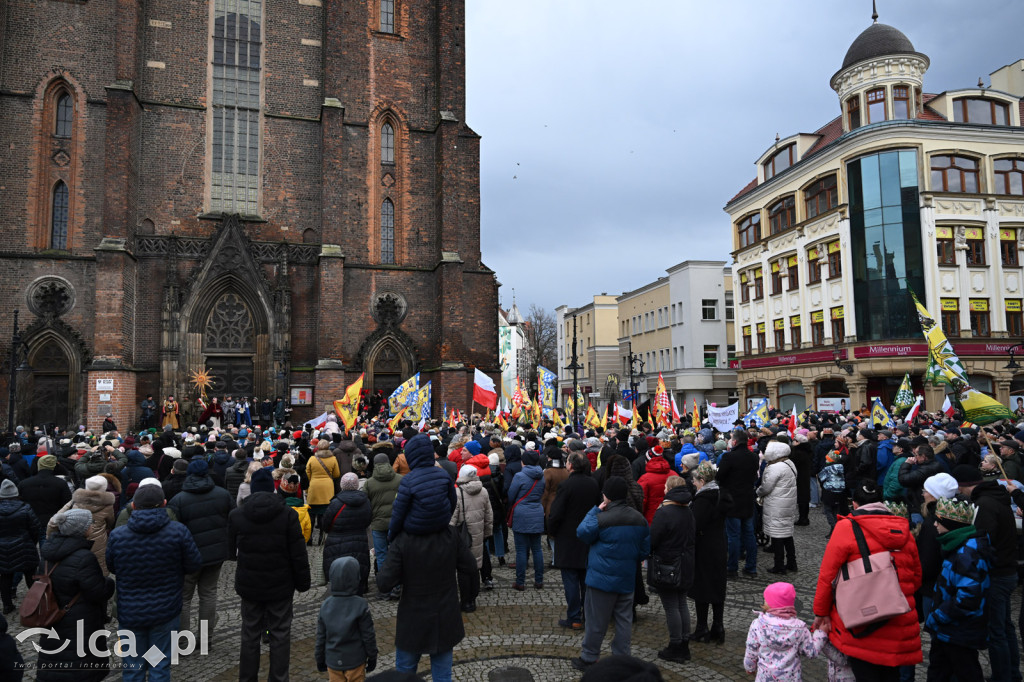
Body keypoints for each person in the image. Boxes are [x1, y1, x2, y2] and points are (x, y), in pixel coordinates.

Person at [812, 483, 922, 681]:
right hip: (898, 616)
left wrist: (821, 612)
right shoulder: (903, 529)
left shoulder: (846, 527)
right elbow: (915, 578)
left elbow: (828, 575)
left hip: (862, 617)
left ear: (854, 504)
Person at [106, 483, 202, 682]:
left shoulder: (118, 535)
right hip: (165, 608)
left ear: (133, 506)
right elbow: (194, 564)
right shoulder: (178, 531)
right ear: (164, 504)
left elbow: (113, 566)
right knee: (160, 665)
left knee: (133, 667)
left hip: (130, 610)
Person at [229, 467, 311, 682]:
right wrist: (303, 582)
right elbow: (298, 553)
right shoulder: (288, 515)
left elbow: (230, 551)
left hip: (250, 584)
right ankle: (278, 678)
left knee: (250, 633)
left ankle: (247, 678)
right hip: (280, 584)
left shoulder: (237, 515)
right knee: (280, 634)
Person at [377, 516, 478, 682]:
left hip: (412, 619)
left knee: (404, 675)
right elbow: (470, 566)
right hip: (444, 616)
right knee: (442, 676)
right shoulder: (450, 534)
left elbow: (384, 583)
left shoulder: (404, 538)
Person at [571, 477, 651, 673]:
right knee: (624, 621)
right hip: (626, 578)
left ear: (606, 496)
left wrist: (595, 509)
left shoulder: (601, 518)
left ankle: (589, 657)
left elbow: (582, 532)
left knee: (596, 621)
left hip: (601, 580)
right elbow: (644, 550)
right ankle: (622, 658)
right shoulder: (639, 519)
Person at [951, 464, 1021, 682]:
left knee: (996, 630)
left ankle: (1003, 676)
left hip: (997, 572)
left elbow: (982, 539)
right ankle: (1011, 672)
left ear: (962, 485)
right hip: (1006, 568)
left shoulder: (985, 504)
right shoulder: (996, 497)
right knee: (1005, 626)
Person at [35, 509, 115, 682]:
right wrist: (109, 583)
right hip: (81, 621)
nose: (93, 526)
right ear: (81, 530)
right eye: (90, 524)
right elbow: (98, 592)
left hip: (53, 617)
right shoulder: (84, 557)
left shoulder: (46, 555)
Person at [924, 498, 992, 682]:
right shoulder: (957, 546)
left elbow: (968, 597)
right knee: (939, 671)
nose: (935, 524)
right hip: (950, 632)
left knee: (965, 673)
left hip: (957, 631)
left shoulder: (966, 554)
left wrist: (939, 616)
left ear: (951, 524)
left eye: (939, 520)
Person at [167, 459, 235, 635]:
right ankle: (206, 637)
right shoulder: (223, 494)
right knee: (208, 594)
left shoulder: (179, 500)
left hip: (188, 555)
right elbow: (232, 520)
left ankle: (183, 640)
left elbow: (173, 529)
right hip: (215, 552)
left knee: (184, 598)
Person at [548, 452, 600, 630]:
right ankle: (587, 614)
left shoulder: (566, 485)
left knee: (570, 579)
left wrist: (551, 531)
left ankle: (574, 616)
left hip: (568, 537)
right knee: (585, 579)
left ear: (571, 465)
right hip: (587, 536)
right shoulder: (593, 483)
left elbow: (556, 512)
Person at [648, 476, 695, 663]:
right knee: (681, 603)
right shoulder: (688, 511)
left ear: (670, 490)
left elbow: (653, 539)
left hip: (668, 565)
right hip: (686, 563)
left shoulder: (665, 512)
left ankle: (675, 645)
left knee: (671, 606)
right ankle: (684, 643)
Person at [743, 582, 826, 681]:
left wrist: (750, 667)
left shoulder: (758, 625)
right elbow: (811, 652)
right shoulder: (799, 628)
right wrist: (821, 633)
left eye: (766, 599)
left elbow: (751, 650)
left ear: (770, 603)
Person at [315, 556, 378, 682]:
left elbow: (321, 637)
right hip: (356, 661)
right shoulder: (360, 605)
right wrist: (372, 655)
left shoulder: (325, 605)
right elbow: (368, 635)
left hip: (333, 661)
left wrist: (319, 658)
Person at [690, 461, 731, 645]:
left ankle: (701, 628)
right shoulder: (721, 494)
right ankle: (718, 626)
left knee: (702, 586)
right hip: (720, 543)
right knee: (717, 585)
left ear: (702, 480)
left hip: (704, 545)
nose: (692, 483)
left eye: (695, 480)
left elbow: (695, 524)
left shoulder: (703, 499)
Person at [46, 475, 115, 575]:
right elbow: (110, 522)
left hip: (75, 539)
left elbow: (53, 522)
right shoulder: (108, 505)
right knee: (99, 568)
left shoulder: (74, 501)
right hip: (98, 541)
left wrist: (51, 539)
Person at [450, 465, 492, 612]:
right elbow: (488, 515)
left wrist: (448, 535)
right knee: (475, 567)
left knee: (463, 569)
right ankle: (472, 599)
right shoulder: (484, 491)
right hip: (478, 534)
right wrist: (487, 532)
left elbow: (453, 518)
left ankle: (466, 601)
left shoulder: (458, 492)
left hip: (463, 537)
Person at [322, 473, 373, 596]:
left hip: (336, 543)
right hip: (359, 542)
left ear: (342, 485)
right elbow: (368, 520)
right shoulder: (365, 501)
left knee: (337, 574)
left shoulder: (335, 503)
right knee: (359, 572)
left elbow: (325, 525)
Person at [718, 428, 759, 577]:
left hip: (732, 501)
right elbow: (754, 477)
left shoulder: (729, 457)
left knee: (733, 536)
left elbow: (720, 476)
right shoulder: (753, 457)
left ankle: (732, 568)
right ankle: (751, 567)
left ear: (734, 441)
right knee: (749, 534)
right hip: (747, 499)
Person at [0, 478, 41, 614]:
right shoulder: (25, 508)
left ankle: (7, 605)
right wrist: (31, 542)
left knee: (5, 577)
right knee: (30, 576)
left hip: (2, 548)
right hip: (24, 545)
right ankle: (36, 603)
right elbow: (35, 528)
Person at [506, 447, 545, 590]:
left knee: (521, 550)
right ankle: (539, 581)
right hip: (537, 511)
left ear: (524, 462)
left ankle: (520, 582)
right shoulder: (542, 475)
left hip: (522, 512)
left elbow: (511, 495)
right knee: (537, 549)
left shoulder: (519, 476)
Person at [757, 440, 798, 574]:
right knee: (787, 534)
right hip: (788, 504)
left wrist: (757, 492)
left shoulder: (775, 467)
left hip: (777, 505)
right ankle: (792, 562)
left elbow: (766, 487)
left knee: (777, 536)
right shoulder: (789, 463)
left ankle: (779, 565)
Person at [364, 453, 402, 583]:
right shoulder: (400, 479)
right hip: (396, 523)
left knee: (381, 555)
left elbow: (365, 504)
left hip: (378, 524)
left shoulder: (369, 483)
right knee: (396, 554)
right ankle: (397, 584)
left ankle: (385, 585)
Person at [307, 440, 342, 541]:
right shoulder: (333, 458)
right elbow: (336, 474)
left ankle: (309, 537)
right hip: (327, 487)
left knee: (312, 513)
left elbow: (307, 472)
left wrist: (311, 482)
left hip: (314, 486)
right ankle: (321, 536)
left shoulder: (312, 459)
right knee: (323, 513)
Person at [637, 450, 679, 524]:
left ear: (647, 461)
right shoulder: (674, 474)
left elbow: (641, 501)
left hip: (652, 518)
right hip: (674, 517)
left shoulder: (645, 478)